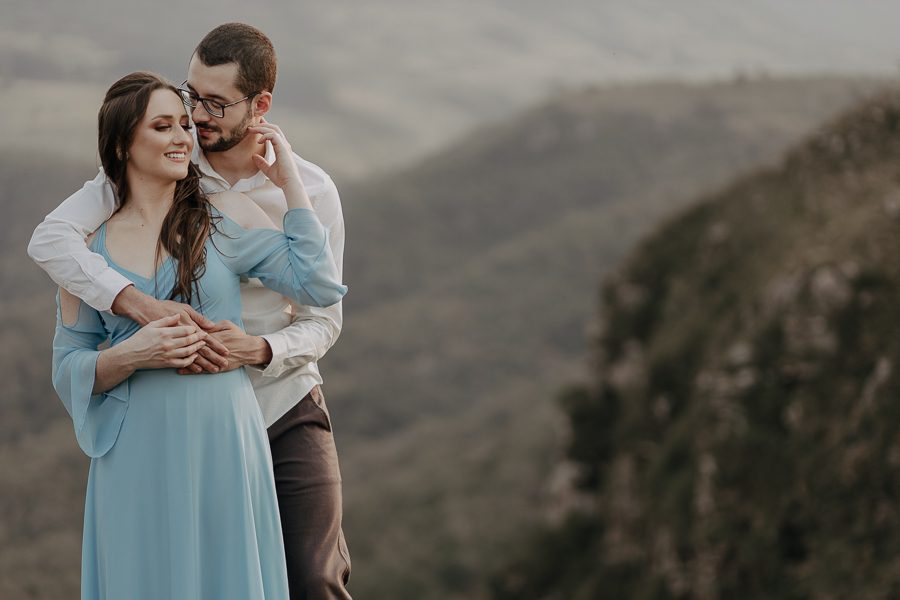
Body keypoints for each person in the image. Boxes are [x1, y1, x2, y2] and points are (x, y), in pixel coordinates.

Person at [29, 24, 353, 599]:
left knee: (313, 578)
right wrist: (138, 312)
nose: (195, 118)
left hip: (278, 399)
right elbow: (53, 240)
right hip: (160, 423)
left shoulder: (306, 194)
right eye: (190, 97)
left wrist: (258, 349)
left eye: (214, 104)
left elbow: (324, 306)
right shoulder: (157, 171)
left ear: (261, 106)